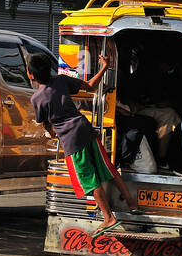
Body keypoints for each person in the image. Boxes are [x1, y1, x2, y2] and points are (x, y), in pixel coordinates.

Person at [29, 52, 135, 234]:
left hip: (72, 140)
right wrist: (104, 66)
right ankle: (132, 203)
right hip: (86, 129)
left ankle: (108, 218)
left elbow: (45, 122)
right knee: (107, 168)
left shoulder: (37, 98)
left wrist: (52, 132)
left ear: (31, 75)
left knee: (89, 180)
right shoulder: (62, 80)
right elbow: (91, 87)